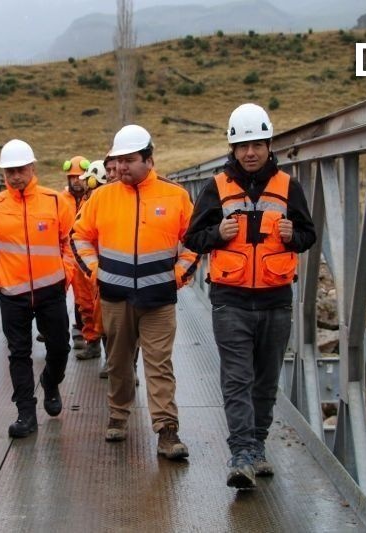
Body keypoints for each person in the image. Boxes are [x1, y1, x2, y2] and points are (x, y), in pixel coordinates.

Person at [183, 103, 316, 489]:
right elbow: (192, 238)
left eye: (257, 144)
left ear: (269, 144)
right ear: (232, 148)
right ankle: (241, 452)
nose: (250, 153)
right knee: (237, 379)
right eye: (242, 146)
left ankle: (256, 446)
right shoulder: (216, 187)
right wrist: (216, 235)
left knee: (266, 380)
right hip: (230, 300)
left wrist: (295, 236)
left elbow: (309, 235)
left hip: (276, 301)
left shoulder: (289, 187)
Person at [71, 125, 199, 460]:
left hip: (159, 299)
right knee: (118, 360)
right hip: (115, 298)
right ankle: (118, 413)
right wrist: (97, 272)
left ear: (149, 159)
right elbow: (78, 237)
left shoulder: (176, 196)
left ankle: (167, 431)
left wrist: (178, 276)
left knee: (159, 364)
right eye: (117, 160)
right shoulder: (101, 197)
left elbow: (195, 242)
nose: (121, 167)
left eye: (129, 160)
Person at [0, 139, 74, 438]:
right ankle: (26, 414)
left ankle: (51, 381)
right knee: (19, 353)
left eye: (20, 169)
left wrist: (64, 274)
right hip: (12, 294)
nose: (15, 176)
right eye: (9, 171)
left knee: (60, 346)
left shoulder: (55, 201)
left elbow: (71, 242)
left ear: (32, 167)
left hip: (50, 290)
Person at [59, 155, 102, 358]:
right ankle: (91, 342)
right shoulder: (60, 200)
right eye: (72, 177)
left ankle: (111, 353)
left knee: (102, 304)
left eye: (79, 177)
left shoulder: (95, 198)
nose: (76, 181)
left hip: (97, 256)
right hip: (73, 259)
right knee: (83, 302)